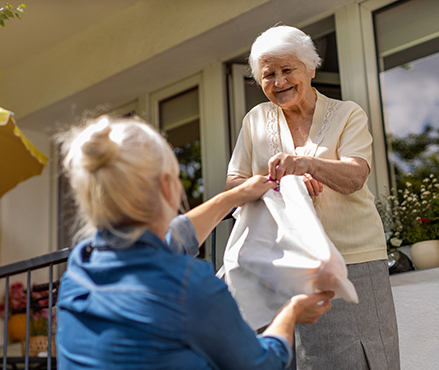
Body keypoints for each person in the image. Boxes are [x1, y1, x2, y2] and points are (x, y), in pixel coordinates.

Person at [56, 115, 333, 369]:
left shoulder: (81, 264)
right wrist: (291, 310)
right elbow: (260, 364)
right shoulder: (189, 284)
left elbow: (171, 238)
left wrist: (235, 196)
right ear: (168, 187)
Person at [226, 25, 400, 369]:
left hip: (354, 260)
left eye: (287, 70)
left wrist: (308, 164)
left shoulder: (348, 113)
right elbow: (235, 184)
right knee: (297, 360)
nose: (279, 82)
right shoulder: (256, 120)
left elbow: (355, 176)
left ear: (310, 68)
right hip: (281, 264)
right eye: (268, 74)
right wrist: (280, 184)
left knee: (363, 356)